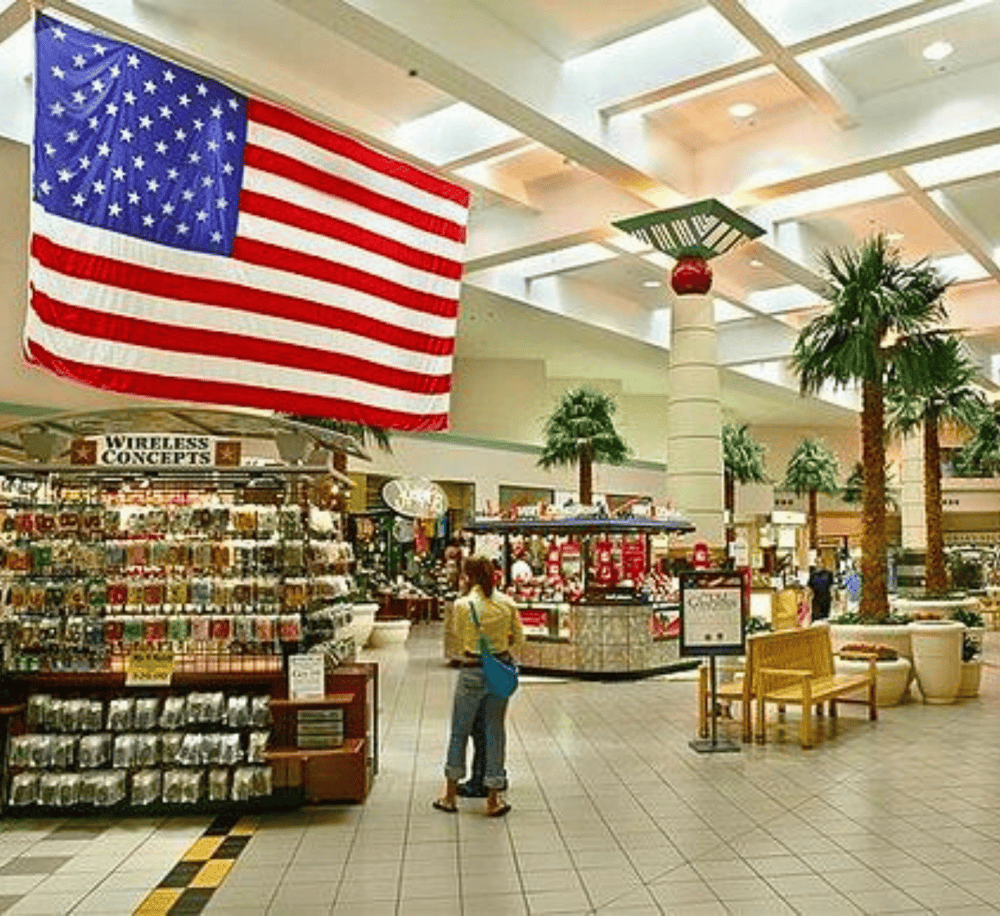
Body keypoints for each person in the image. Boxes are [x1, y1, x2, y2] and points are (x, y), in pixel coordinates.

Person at [435, 555, 524, 817]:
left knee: (459, 732)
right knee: (495, 731)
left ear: (468, 577)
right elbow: (519, 637)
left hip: (472, 670)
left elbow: (459, 637)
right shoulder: (507, 603)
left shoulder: (463, 605)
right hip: (501, 668)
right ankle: (493, 798)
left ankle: (450, 796)